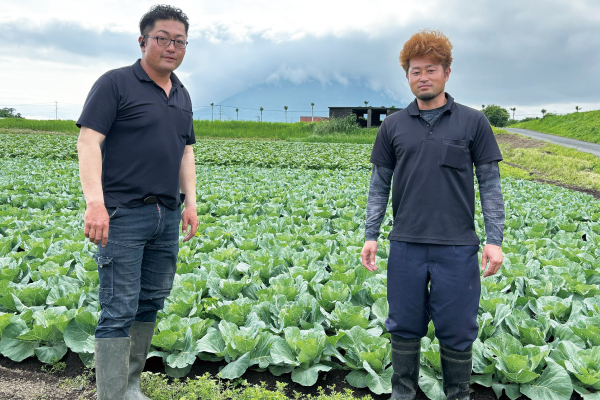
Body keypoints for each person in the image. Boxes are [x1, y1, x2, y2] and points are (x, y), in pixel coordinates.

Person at [360, 30, 504, 400]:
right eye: (414, 71)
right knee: (404, 324)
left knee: (458, 327)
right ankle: (403, 393)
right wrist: (371, 234)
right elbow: (379, 185)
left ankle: (458, 394)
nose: (422, 77)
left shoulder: (474, 122)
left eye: (430, 70)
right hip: (406, 243)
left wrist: (494, 240)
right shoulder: (392, 125)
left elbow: (489, 185)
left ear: (447, 72)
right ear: (407, 77)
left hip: (457, 247)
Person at [76, 5, 198, 400]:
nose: (171, 47)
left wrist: (190, 203)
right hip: (122, 213)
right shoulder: (115, 84)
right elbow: (88, 141)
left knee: (150, 301)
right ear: (143, 40)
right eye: (162, 38)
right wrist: (95, 204)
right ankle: (110, 394)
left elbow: (185, 153)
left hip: (166, 216)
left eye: (179, 41)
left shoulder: (181, 93)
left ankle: (129, 386)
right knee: (118, 306)